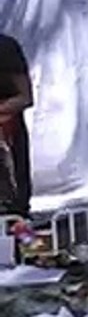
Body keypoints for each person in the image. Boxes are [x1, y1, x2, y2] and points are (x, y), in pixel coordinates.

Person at [0, 34, 33, 216]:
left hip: (6, 138)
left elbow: (25, 97)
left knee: (14, 213)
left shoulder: (5, 48)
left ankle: (28, 243)